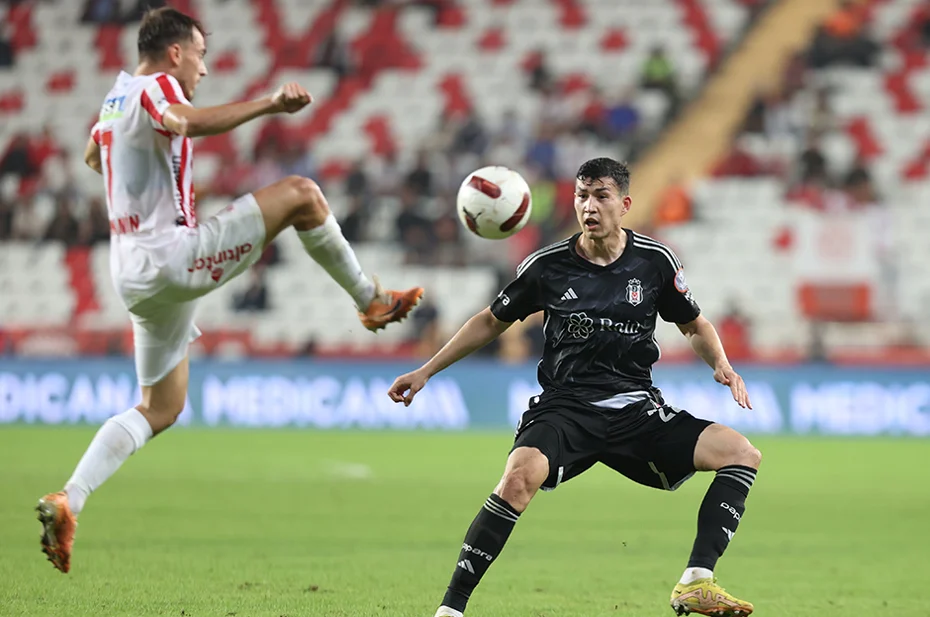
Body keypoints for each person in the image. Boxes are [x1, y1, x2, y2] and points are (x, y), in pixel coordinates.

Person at [37, 7, 423, 574]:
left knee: (161, 406)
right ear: (175, 53)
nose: (204, 68)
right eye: (200, 55)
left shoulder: (115, 98)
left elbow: (96, 156)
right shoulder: (157, 87)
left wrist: (143, 178)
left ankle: (70, 498)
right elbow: (184, 122)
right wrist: (269, 103)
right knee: (302, 194)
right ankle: (370, 300)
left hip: (130, 270)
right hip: (170, 255)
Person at [389, 158, 760, 617]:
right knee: (518, 478)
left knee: (741, 453)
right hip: (566, 407)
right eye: (582, 196)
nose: (590, 206)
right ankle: (450, 610)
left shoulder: (654, 262)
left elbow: (694, 324)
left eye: (601, 196)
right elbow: (490, 321)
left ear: (624, 204)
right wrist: (427, 370)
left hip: (636, 410)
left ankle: (696, 581)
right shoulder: (547, 267)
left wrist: (721, 363)